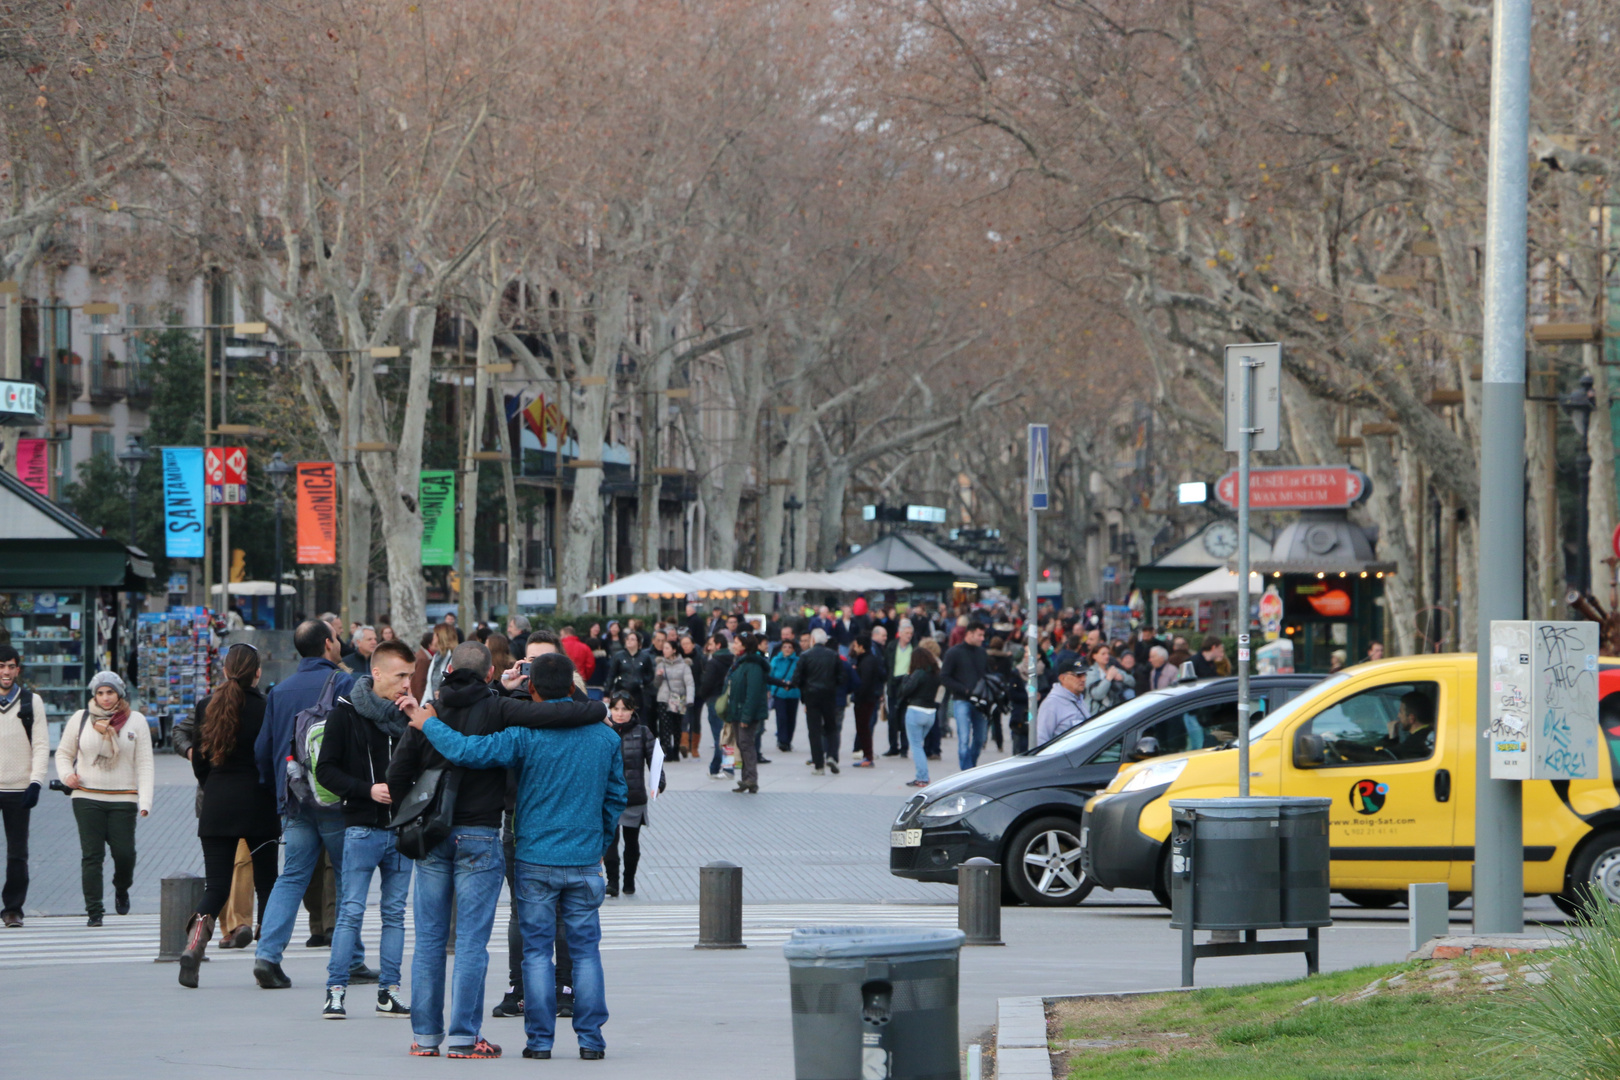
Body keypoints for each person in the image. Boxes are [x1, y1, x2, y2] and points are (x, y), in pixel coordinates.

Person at [389, 640, 605, 1058]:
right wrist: (597, 708)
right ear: (490, 673)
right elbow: (559, 711)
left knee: (431, 940)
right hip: (480, 834)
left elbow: (398, 773)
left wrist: (408, 819)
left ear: (448, 668)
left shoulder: (428, 710)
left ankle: (425, 1037)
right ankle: (464, 1038)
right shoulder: (499, 709)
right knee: (471, 942)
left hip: (431, 838)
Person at [252, 618, 366, 990]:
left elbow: (263, 749)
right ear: (328, 645)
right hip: (335, 799)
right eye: (336, 638)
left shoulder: (280, 691)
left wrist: (280, 791)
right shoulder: (343, 683)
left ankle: (267, 955)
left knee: (292, 877)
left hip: (295, 799)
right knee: (349, 875)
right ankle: (351, 959)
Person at [313, 638, 418, 1020]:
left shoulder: (410, 715)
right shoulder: (347, 711)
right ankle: (335, 990)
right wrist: (367, 790)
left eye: (411, 675)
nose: (407, 683)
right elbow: (325, 769)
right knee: (351, 910)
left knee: (395, 913)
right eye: (400, 675)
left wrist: (419, 718)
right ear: (376, 674)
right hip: (361, 827)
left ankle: (389, 991)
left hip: (402, 831)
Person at [178, 643, 280, 987]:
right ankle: (267, 959)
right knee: (267, 882)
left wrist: (214, 785)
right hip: (260, 804)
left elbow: (199, 762)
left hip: (217, 805)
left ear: (224, 670)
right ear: (257, 673)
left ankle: (194, 945)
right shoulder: (267, 708)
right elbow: (272, 758)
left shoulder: (207, 705)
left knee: (217, 885)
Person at [55, 671, 153, 926]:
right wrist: (67, 776)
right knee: (92, 855)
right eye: (100, 693)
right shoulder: (81, 718)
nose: (105, 698)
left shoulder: (136, 721)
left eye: (110, 692)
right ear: (94, 695)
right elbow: (63, 754)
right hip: (86, 796)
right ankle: (94, 911)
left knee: (124, 854)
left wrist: (145, 802)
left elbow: (145, 764)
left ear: (119, 693)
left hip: (124, 798)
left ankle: (121, 888)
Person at [0, 645, 46, 928]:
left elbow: (41, 745)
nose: (5, 672)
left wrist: (36, 782)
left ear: (18, 669)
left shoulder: (32, 701)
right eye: (1, 666)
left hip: (18, 788)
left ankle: (13, 909)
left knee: (18, 852)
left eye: (10, 666)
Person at [603, 693, 664, 897]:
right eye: (616, 708)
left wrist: (658, 783)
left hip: (633, 795)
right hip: (609, 796)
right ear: (610, 709)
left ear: (632, 711)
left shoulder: (643, 732)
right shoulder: (603, 729)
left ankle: (629, 880)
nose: (620, 714)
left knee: (631, 842)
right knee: (610, 841)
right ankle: (612, 882)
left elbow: (654, 760)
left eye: (625, 709)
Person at [792, 628, 843, 775]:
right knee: (831, 727)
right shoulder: (833, 655)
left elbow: (797, 679)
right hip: (829, 695)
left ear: (812, 640)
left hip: (811, 696)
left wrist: (804, 689)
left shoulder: (806, 655)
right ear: (825, 641)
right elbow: (841, 677)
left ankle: (818, 765)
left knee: (814, 731)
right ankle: (832, 755)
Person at [940, 623, 990, 771]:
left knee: (980, 738)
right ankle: (966, 772)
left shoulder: (982, 653)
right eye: (979, 635)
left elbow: (986, 674)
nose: (982, 638)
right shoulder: (954, 653)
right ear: (969, 634)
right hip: (961, 700)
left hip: (980, 701)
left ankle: (971, 768)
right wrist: (964, 690)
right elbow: (944, 677)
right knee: (963, 739)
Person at [725, 633, 769, 794]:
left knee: (746, 744)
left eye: (736, 642)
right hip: (736, 711)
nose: (734, 645)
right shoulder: (740, 663)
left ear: (744, 645)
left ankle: (751, 779)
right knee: (742, 745)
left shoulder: (753, 665)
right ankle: (746, 779)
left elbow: (753, 692)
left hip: (745, 713)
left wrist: (746, 716)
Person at [895, 646, 941, 787]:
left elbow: (906, 690)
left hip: (916, 710)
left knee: (916, 746)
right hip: (930, 713)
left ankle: (922, 777)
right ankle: (922, 776)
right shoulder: (936, 673)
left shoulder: (918, 673)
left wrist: (907, 677)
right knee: (919, 745)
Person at [697, 633, 733, 779]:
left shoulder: (714, 662)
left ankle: (726, 769)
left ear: (718, 645)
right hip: (729, 700)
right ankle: (721, 767)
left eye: (711, 644)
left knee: (719, 735)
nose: (708, 646)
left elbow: (707, 683)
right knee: (727, 735)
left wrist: (702, 694)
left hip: (715, 701)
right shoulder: (732, 659)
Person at [652, 638, 692, 762]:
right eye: (664, 648)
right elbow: (656, 684)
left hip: (678, 698)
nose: (664, 650)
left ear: (674, 650)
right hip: (664, 698)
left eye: (667, 648)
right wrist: (658, 676)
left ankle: (676, 750)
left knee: (677, 725)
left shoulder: (684, 665)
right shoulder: (660, 664)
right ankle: (667, 750)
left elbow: (689, 683)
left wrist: (689, 699)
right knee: (664, 725)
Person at [1035, 660, 1090, 746]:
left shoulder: (1080, 700)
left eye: (1084, 675)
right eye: (1078, 675)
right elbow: (1041, 739)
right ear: (1062, 678)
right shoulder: (1051, 704)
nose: (1083, 679)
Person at [851, 636, 885, 768]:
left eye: (855, 645)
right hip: (867, 698)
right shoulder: (868, 659)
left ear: (861, 646)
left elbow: (864, 683)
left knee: (864, 728)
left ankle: (868, 756)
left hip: (865, 699)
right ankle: (867, 755)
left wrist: (858, 696)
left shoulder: (867, 661)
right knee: (863, 728)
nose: (854, 648)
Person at [607, 631, 654, 724]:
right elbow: (611, 674)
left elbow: (650, 674)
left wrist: (642, 681)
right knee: (621, 715)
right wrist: (607, 692)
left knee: (638, 717)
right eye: (627, 639)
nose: (629, 641)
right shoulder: (619, 656)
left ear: (638, 643)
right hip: (621, 690)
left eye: (632, 639)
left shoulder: (644, 657)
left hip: (638, 693)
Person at [882, 621, 915, 758]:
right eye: (906, 633)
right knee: (892, 716)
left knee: (904, 718)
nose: (909, 636)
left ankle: (904, 748)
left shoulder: (914, 647)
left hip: (907, 684)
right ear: (900, 633)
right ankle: (893, 746)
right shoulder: (892, 646)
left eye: (911, 633)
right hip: (893, 684)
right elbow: (886, 665)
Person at [767, 637, 800, 754]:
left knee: (791, 718)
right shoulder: (776, 660)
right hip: (779, 693)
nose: (787, 649)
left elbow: (800, 676)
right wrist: (768, 690)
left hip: (793, 693)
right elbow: (770, 675)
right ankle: (782, 740)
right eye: (785, 647)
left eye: (790, 647)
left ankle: (788, 741)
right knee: (781, 717)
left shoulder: (798, 661)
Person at [678, 633, 706, 761]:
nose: (685, 646)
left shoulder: (700, 658)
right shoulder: (678, 658)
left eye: (687, 643)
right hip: (682, 693)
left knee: (696, 720)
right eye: (683, 644)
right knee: (685, 718)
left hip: (698, 694)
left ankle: (694, 747)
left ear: (693, 645)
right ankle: (684, 744)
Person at [1085, 644, 1130, 714]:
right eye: (1103, 654)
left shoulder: (1111, 668)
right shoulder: (1091, 672)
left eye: (1108, 654)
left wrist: (1122, 678)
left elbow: (1132, 681)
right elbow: (1097, 695)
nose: (1107, 656)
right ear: (1094, 656)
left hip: (1113, 707)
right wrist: (1108, 679)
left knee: (1129, 692)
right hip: (1097, 711)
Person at [426, 623, 458, 698]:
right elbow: (429, 687)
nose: (432, 638)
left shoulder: (455, 658)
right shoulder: (436, 657)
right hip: (433, 704)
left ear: (441, 637)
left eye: (435, 635)